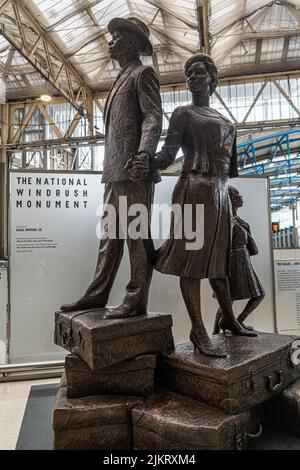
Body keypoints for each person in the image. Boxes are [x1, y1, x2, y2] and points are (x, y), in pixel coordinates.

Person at [132, 53, 256, 357]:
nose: (192, 78)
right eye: (188, 74)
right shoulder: (182, 114)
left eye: (198, 73)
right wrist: (147, 161)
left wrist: (229, 200)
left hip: (219, 195)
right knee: (191, 263)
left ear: (211, 79)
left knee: (219, 263)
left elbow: (229, 170)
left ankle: (228, 318)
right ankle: (199, 330)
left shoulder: (229, 123)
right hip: (192, 189)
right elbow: (167, 154)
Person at [61, 17, 162, 319]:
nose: (109, 41)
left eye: (115, 37)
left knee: (136, 237)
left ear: (130, 42)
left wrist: (145, 153)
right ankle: (97, 294)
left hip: (133, 170)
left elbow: (154, 117)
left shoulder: (143, 73)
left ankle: (135, 299)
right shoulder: (121, 77)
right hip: (115, 171)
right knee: (109, 236)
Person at [213, 186, 265, 334]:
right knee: (228, 299)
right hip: (234, 261)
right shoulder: (224, 219)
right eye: (237, 194)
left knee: (256, 294)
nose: (241, 197)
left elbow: (252, 247)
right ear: (229, 199)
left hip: (244, 259)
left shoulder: (238, 220)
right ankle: (217, 330)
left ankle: (238, 320)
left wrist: (247, 228)